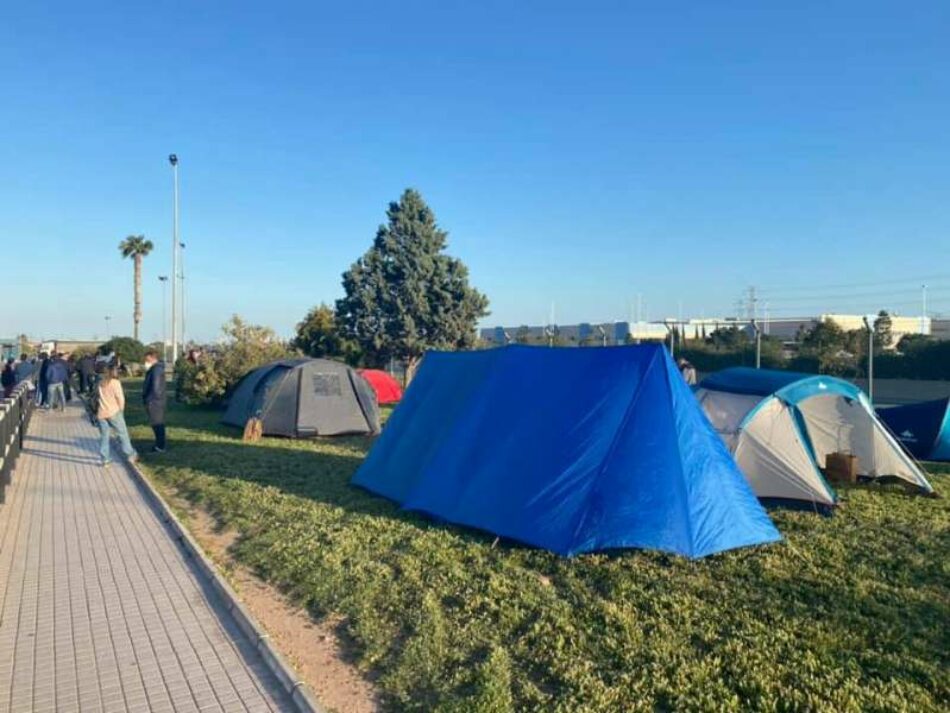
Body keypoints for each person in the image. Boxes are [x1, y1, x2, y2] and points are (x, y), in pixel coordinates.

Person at [95, 366, 138, 467]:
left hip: (101, 412)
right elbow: (120, 398)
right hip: (114, 411)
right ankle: (131, 454)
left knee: (104, 437)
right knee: (122, 434)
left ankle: (105, 459)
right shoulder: (115, 383)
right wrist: (121, 409)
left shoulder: (101, 383)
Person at [142, 349, 167, 453]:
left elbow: (155, 387)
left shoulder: (156, 370)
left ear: (152, 358)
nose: (145, 362)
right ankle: (159, 444)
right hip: (156, 401)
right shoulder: (155, 369)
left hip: (154, 401)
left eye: (147, 359)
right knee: (156, 423)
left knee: (157, 424)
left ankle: (160, 446)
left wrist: (150, 400)